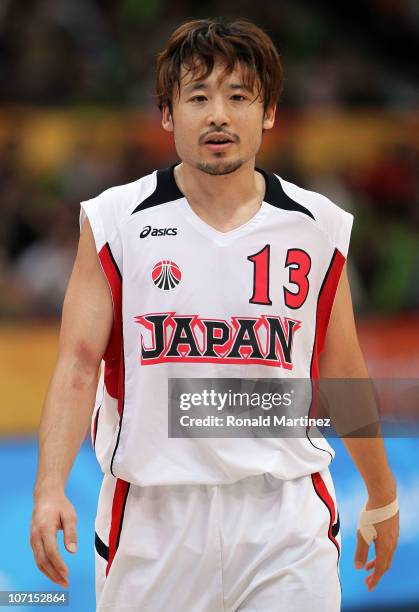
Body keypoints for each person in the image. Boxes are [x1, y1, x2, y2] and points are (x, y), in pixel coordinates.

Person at [30, 18, 399, 611]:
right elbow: (77, 365)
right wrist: (49, 489)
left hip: (285, 518)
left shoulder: (319, 225)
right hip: (152, 520)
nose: (218, 115)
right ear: (168, 115)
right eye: (197, 97)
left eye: (238, 97)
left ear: (269, 112)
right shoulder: (114, 222)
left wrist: (381, 495)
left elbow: (343, 368)